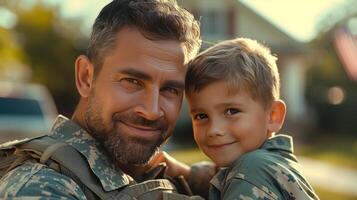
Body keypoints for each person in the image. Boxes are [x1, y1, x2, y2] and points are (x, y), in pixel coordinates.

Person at [0, 0, 202, 198]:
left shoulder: (167, 177)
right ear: (86, 77)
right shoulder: (42, 186)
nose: (151, 110)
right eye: (132, 81)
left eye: (170, 89)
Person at [163, 38, 320, 200]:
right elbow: (222, 177)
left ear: (273, 115)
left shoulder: (253, 168)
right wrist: (185, 173)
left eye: (231, 111)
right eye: (201, 116)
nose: (214, 130)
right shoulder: (266, 165)